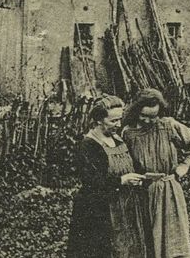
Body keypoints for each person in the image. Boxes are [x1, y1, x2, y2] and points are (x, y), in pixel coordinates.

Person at [122, 88, 190, 258]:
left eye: (153, 116)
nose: (148, 121)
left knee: (174, 243)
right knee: (146, 243)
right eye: (144, 116)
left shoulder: (168, 126)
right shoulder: (128, 133)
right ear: (136, 111)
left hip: (169, 192)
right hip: (142, 194)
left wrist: (185, 164)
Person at [67, 95, 148, 258]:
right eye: (113, 121)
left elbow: (131, 164)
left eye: (119, 120)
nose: (118, 125)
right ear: (98, 120)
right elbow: (93, 182)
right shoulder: (89, 145)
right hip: (100, 208)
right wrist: (122, 180)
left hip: (126, 204)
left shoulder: (117, 139)